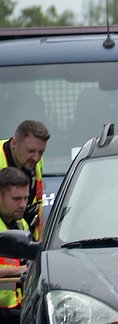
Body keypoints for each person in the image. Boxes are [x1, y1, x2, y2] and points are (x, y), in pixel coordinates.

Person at [0, 120, 50, 241]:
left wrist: (40, 242)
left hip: (26, 241)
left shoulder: (36, 162)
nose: (36, 158)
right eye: (31, 151)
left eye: (41, 152)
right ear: (14, 143)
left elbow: (37, 204)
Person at [0, 167, 32, 324]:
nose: (23, 204)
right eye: (16, 199)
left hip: (16, 308)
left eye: (25, 198)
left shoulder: (21, 223)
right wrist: (18, 271)